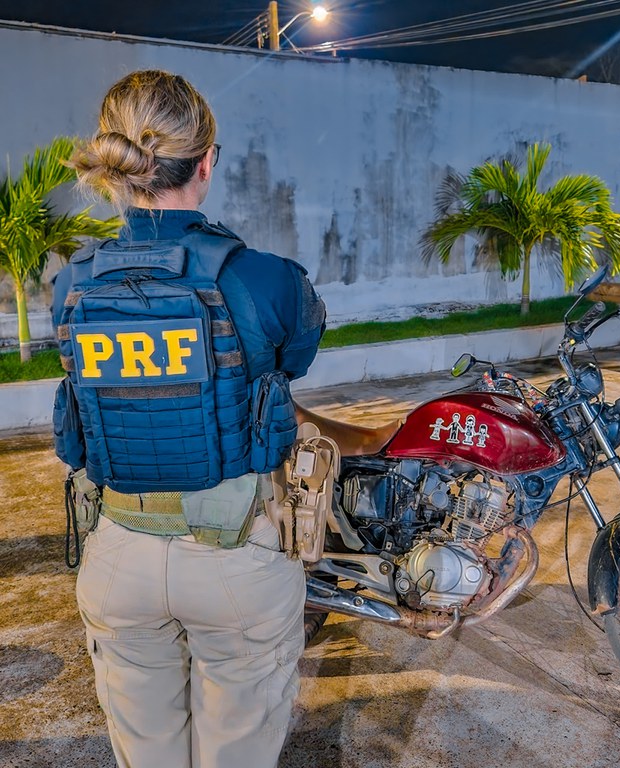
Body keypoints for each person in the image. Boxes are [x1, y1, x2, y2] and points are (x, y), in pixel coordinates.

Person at [50, 70, 326, 768]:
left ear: (115, 167)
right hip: (236, 557)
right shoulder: (265, 278)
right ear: (206, 162)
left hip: (118, 554)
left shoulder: (72, 284)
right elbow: (295, 357)